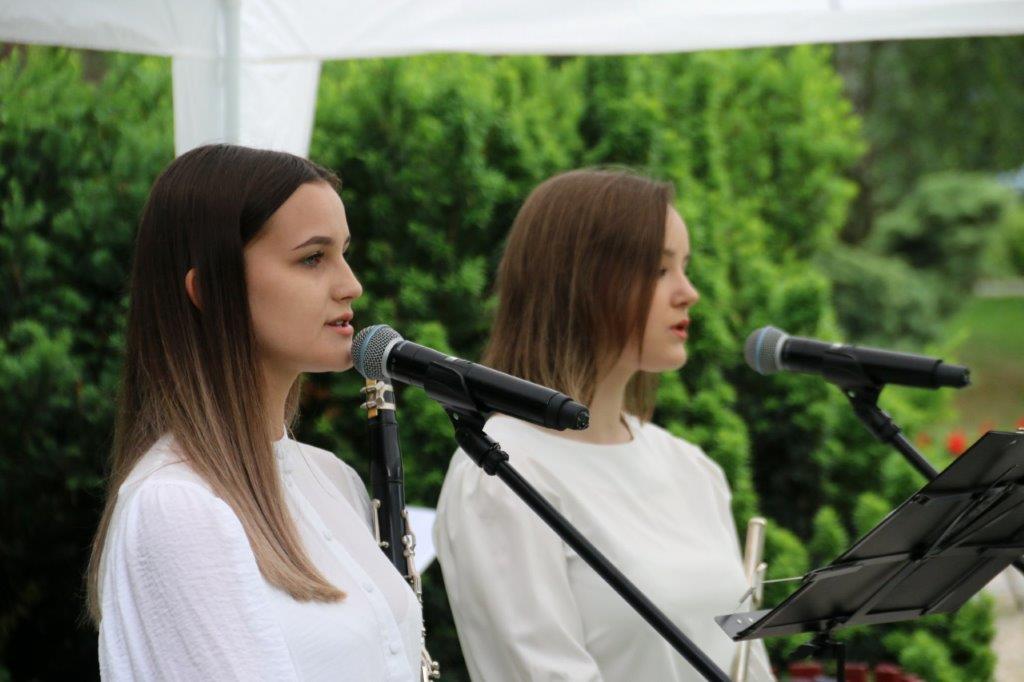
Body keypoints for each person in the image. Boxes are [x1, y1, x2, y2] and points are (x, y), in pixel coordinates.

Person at [85, 144, 422, 681]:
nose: (351, 285)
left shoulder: (336, 480)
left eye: (343, 252)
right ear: (209, 290)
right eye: (313, 258)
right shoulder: (176, 506)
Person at [433, 169, 775, 681]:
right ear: (581, 280)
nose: (689, 293)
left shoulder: (693, 470)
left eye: (684, 267)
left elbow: (750, 664)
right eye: (659, 270)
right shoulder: (499, 471)